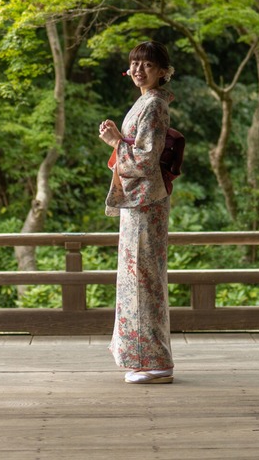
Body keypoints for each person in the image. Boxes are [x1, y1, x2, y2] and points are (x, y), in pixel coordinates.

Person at [97, 40, 176, 385]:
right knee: (136, 278)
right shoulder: (145, 103)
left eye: (147, 64)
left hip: (146, 202)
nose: (139, 69)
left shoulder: (154, 105)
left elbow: (144, 159)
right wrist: (117, 140)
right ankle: (144, 358)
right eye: (134, 63)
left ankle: (155, 361)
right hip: (139, 203)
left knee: (143, 279)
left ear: (162, 72)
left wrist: (116, 142)